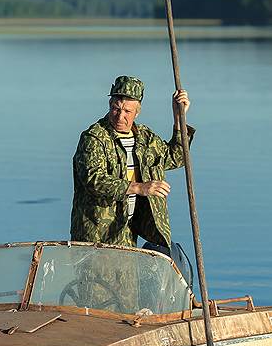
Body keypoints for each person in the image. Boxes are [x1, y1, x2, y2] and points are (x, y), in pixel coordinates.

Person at [70, 75, 193, 249]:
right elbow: (93, 180)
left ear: (137, 112)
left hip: (127, 231)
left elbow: (176, 158)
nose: (120, 116)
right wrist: (139, 188)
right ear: (110, 105)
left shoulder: (145, 137)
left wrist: (179, 119)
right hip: (96, 235)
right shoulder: (93, 138)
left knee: (126, 276)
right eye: (115, 108)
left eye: (127, 111)